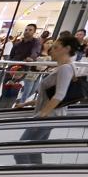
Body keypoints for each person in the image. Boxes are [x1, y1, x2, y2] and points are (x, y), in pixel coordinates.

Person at [16, 33, 82, 165]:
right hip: (49, 115)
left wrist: (41, 115)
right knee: (34, 150)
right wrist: (29, 103)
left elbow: (60, 95)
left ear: (67, 49)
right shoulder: (64, 67)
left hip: (47, 117)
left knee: (20, 150)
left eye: (56, 47)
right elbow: (52, 95)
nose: (51, 50)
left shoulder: (65, 68)